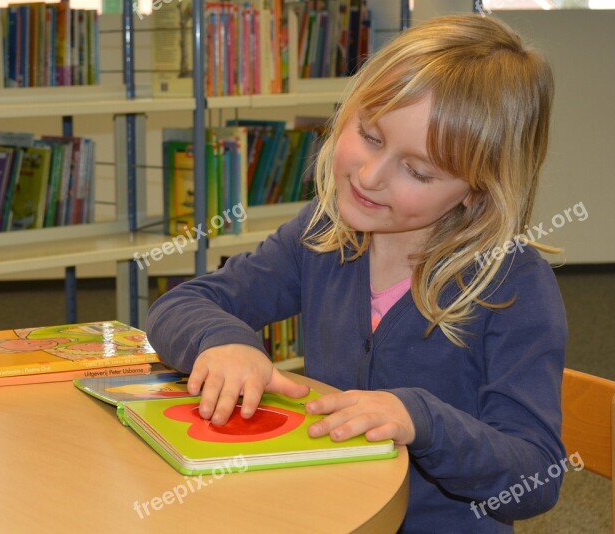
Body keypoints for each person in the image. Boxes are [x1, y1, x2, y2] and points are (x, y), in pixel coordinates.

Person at [146, 14, 566, 532]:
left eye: (418, 171)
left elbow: (538, 476)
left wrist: (423, 421)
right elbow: (178, 306)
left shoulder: (512, 285)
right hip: (326, 514)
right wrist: (224, 342)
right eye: (369, 136)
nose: (370, 176)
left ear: (478, 189)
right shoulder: (324, 234)